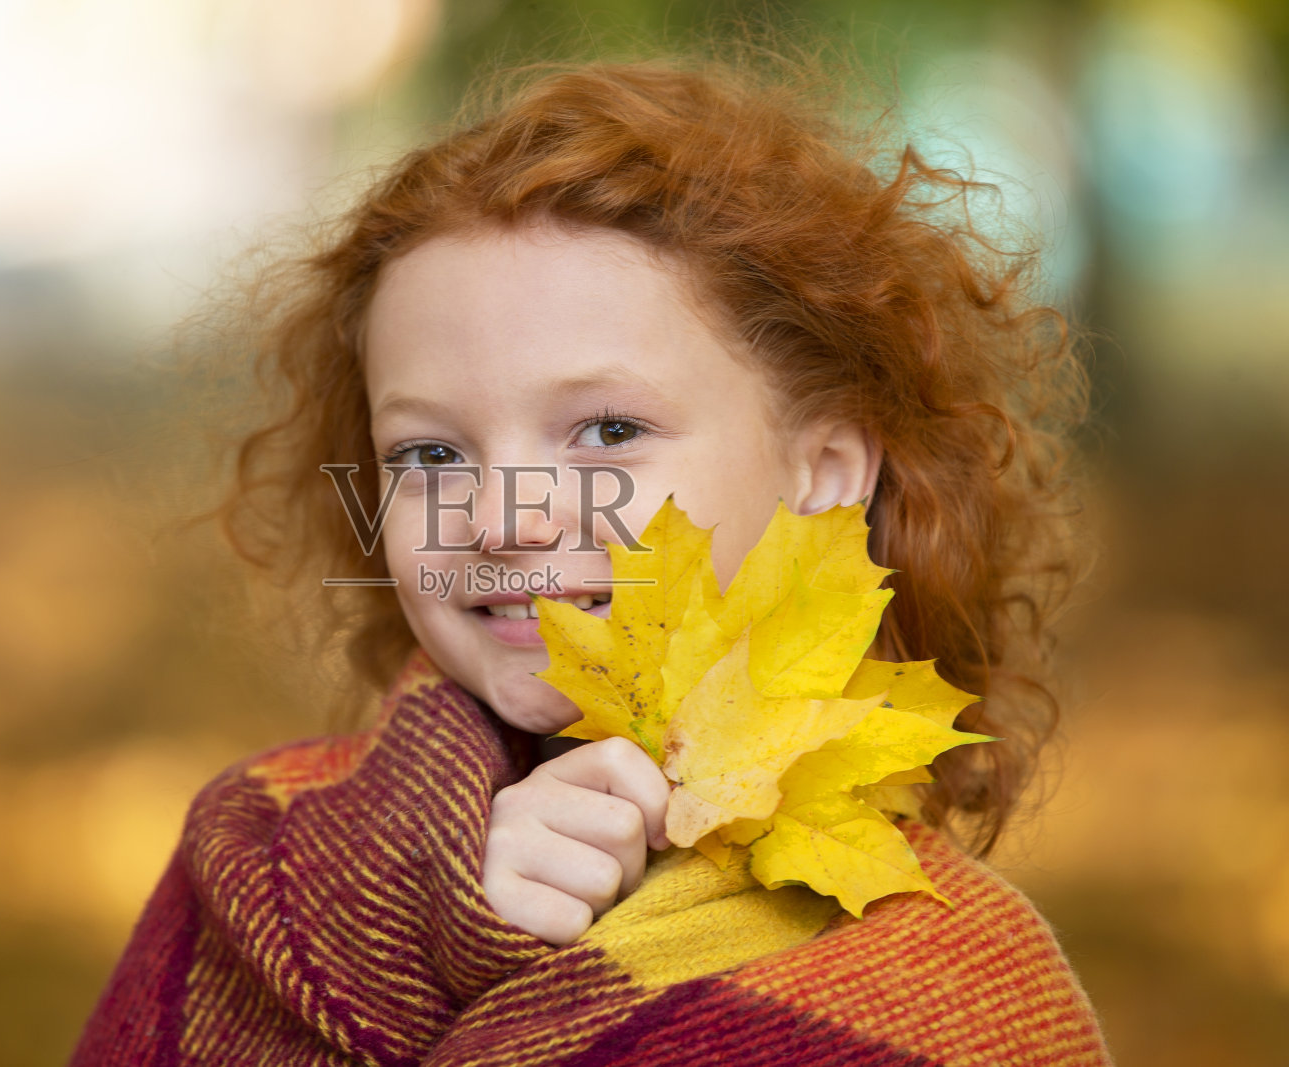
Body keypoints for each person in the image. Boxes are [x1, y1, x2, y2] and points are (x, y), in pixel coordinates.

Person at [70, 45, 1113, 1066]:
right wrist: (432, 928)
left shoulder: (955, 994)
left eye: (608, 430)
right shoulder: (260, 869)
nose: (502, 519)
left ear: (827, 465)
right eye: (430, 451)